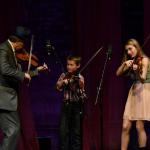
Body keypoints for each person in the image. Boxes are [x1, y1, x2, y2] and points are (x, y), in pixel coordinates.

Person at [0, 26, 48, 150]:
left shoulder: (11, 51)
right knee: (13, 130)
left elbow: (18, 75)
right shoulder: (3, 49)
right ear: (18, 42)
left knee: (13, 130)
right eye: (23, 44)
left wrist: (36, 71)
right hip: (4, 97)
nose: (23, 48)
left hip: (8, 98)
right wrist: (22, 74)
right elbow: (5, 70)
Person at [116, 39, 150, 150]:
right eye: (127, 50)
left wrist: (136, 71)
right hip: (134, 91)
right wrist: (124, 65)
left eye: (130, 49)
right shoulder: (131, 61)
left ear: (136, 47)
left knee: (139, 126)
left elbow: (143, 78)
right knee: (125, 126)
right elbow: (118, 73)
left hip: (144, 90)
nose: (129, 52)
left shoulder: (144, 60)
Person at [56, 55, 86, 150]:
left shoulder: (80, 77)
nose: (68, 66)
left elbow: (82, 94)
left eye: (71, 65)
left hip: (76, 107)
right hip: (66, 106)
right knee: (63, 133)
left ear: (78, 66)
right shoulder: (64, 75)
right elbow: (57, 87)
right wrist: (64, 82)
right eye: (68, 64)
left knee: (76, 134)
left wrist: (79, 86)